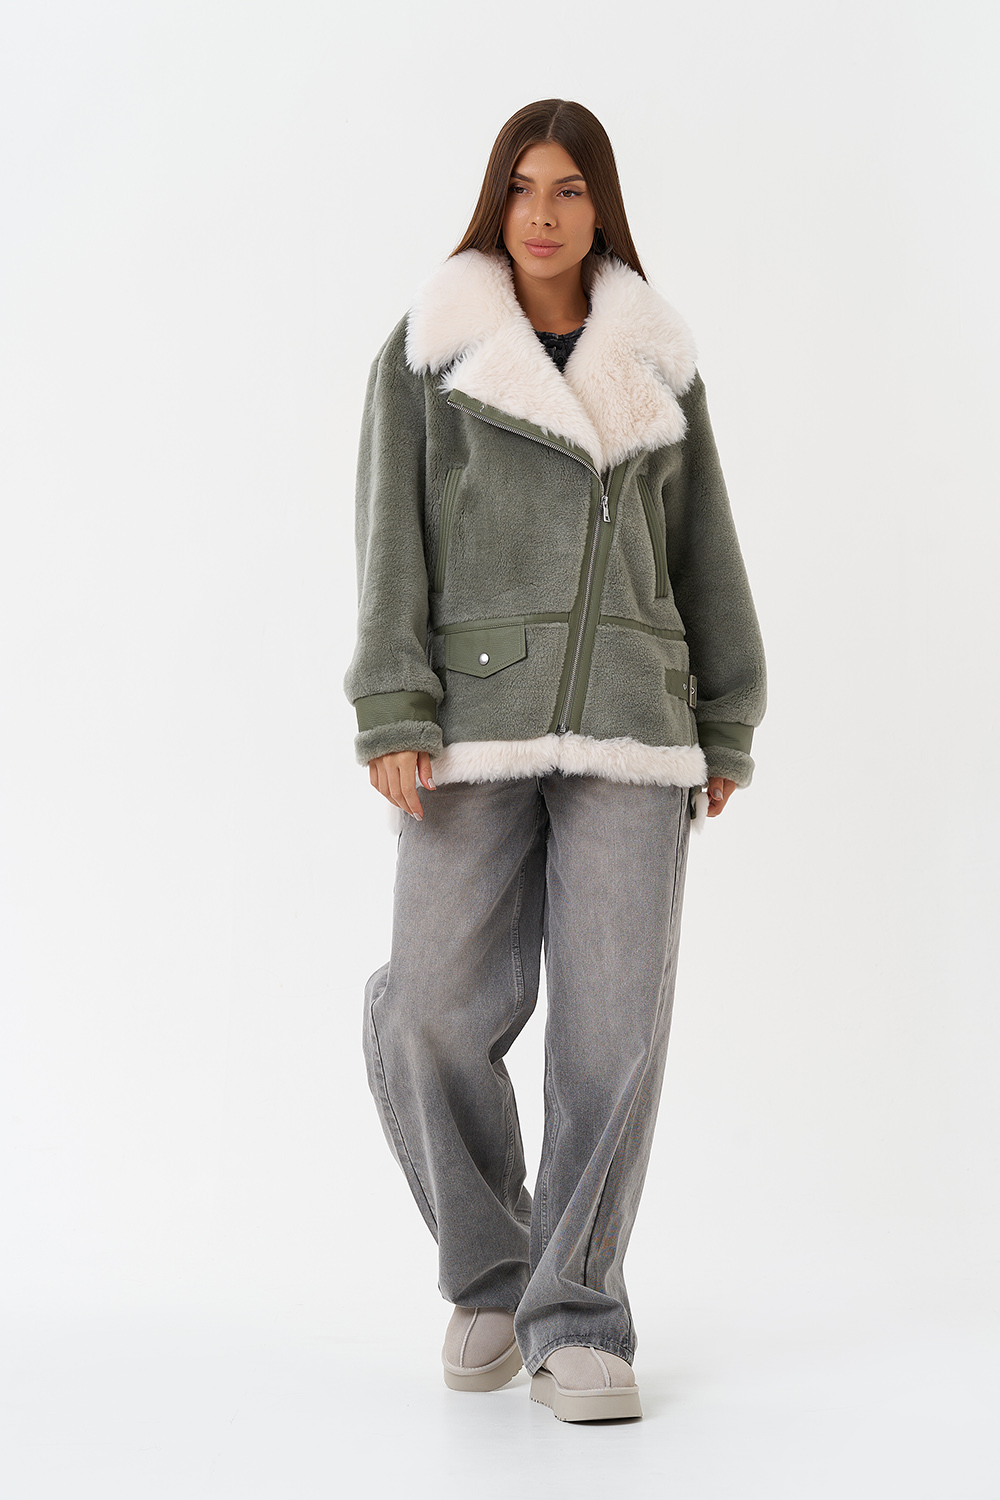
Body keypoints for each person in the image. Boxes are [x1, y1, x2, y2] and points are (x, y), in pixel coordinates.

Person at [344, 99, 766, 1423]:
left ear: (600, 208)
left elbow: (704, 547)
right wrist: (393, 707)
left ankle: (578, 1312)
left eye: (569, 188)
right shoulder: (429, 353)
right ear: (497, 201)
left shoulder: (658, 362)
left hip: (639, 724)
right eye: (523, 186)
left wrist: (727, 715)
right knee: (428, 1008)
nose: (543, 211)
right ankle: (491, 1271)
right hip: (472, 725)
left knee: (613, 1034)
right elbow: (390, 539)